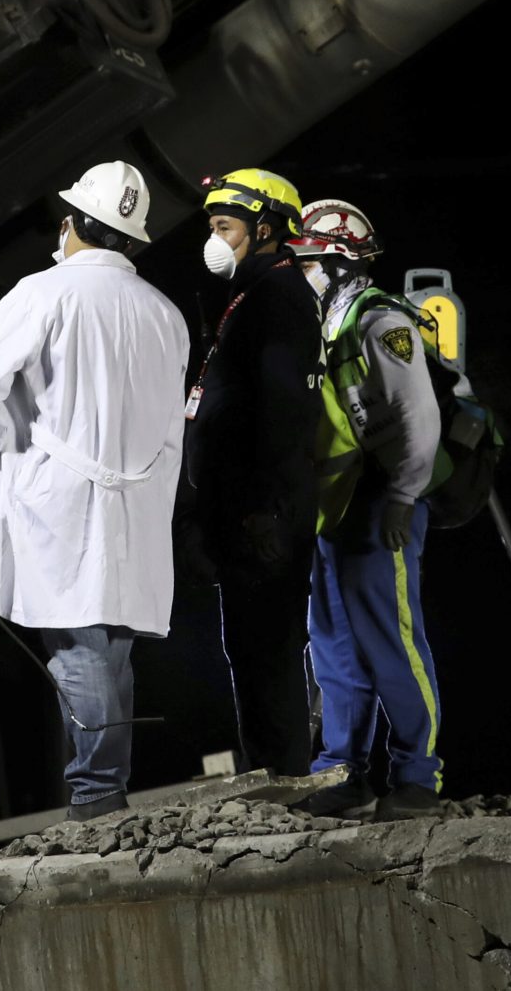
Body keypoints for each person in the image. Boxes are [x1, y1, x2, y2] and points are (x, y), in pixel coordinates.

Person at [0, 161, 189, 821]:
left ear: (71, 223)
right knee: (110, 648)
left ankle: (96, 794)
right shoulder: (165, 313)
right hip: (135, 504)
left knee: (80, 645)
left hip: (57, 498)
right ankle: (102, 787)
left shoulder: (44, 292)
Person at [288, 200, 447, 818]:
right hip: (339, 506)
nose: (301, 270)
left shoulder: (381, 321)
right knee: (332, 644)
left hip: (383, 499)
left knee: (393, 641)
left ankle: (416, 777)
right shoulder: (330, 322)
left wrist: (404, 498)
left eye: (308, 260)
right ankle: (341, 773)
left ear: (338, 261)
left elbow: (419, 416)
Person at [183, 166, 325, 778]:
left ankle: (286, 779)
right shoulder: (252, 293)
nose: (213, 239)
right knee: (251, 649)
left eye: (224, 226)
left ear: (265, 227)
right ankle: (272, 775)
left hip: (263, 512)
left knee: (267, 651)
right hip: (243, 509)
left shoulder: (278, 296)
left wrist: (266, 507)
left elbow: (286, 411)